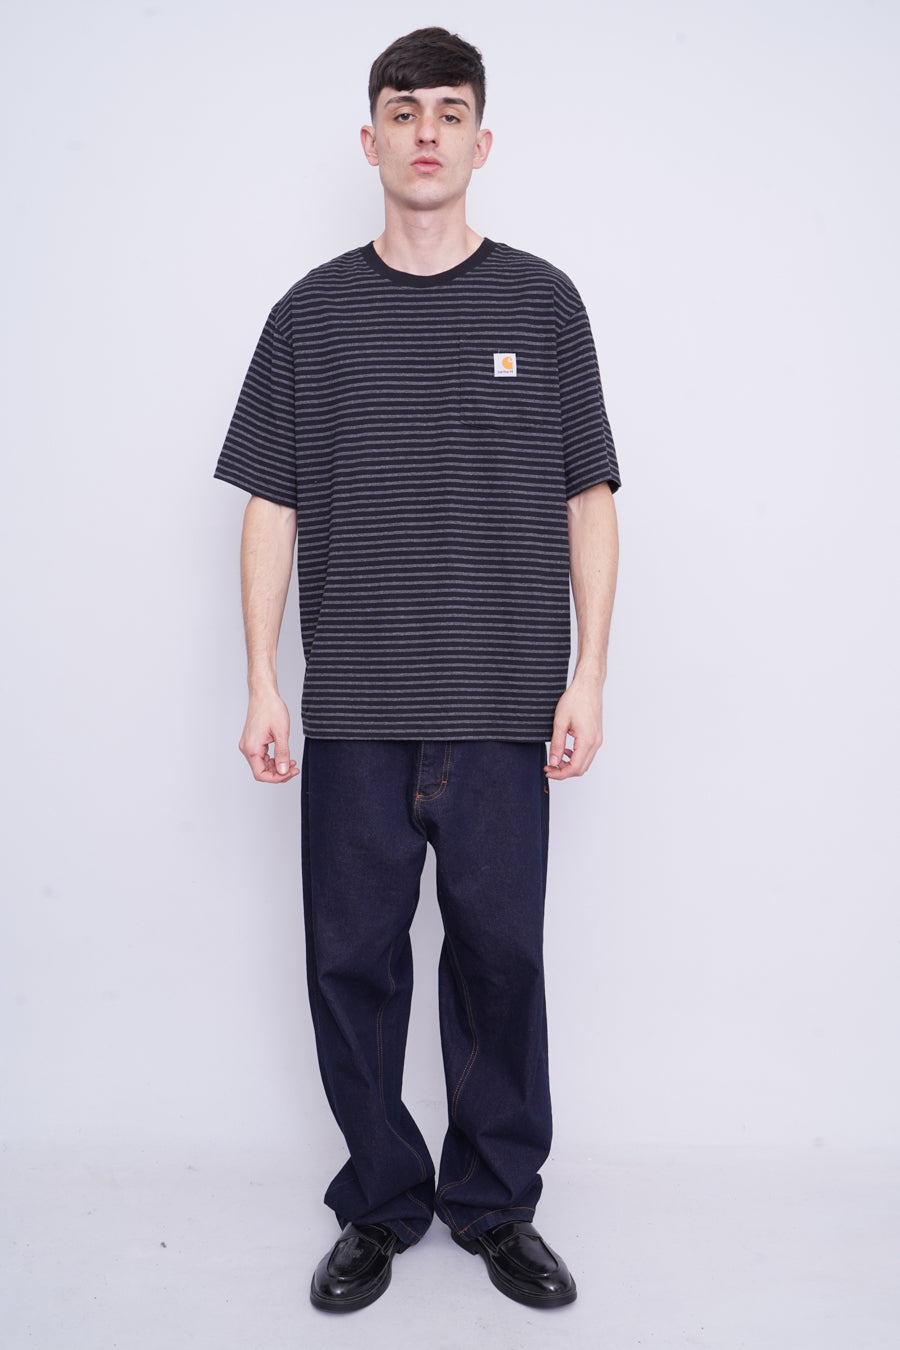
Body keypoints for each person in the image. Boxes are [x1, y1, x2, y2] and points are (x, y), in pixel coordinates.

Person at [215, 26, 620, 1314]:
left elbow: (589, 497)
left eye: (450, 112)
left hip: (502, 707)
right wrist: (264, 681)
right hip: (355, 708)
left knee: (500, 961)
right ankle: (381, 1204)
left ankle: (495, 1205)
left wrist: (589, 674)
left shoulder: (543, 304)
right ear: (371, 138)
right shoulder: (311, 314)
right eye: (404, 111)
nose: (426, 132)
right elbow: (271, 503)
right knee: (352, 966)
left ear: (481, 142)